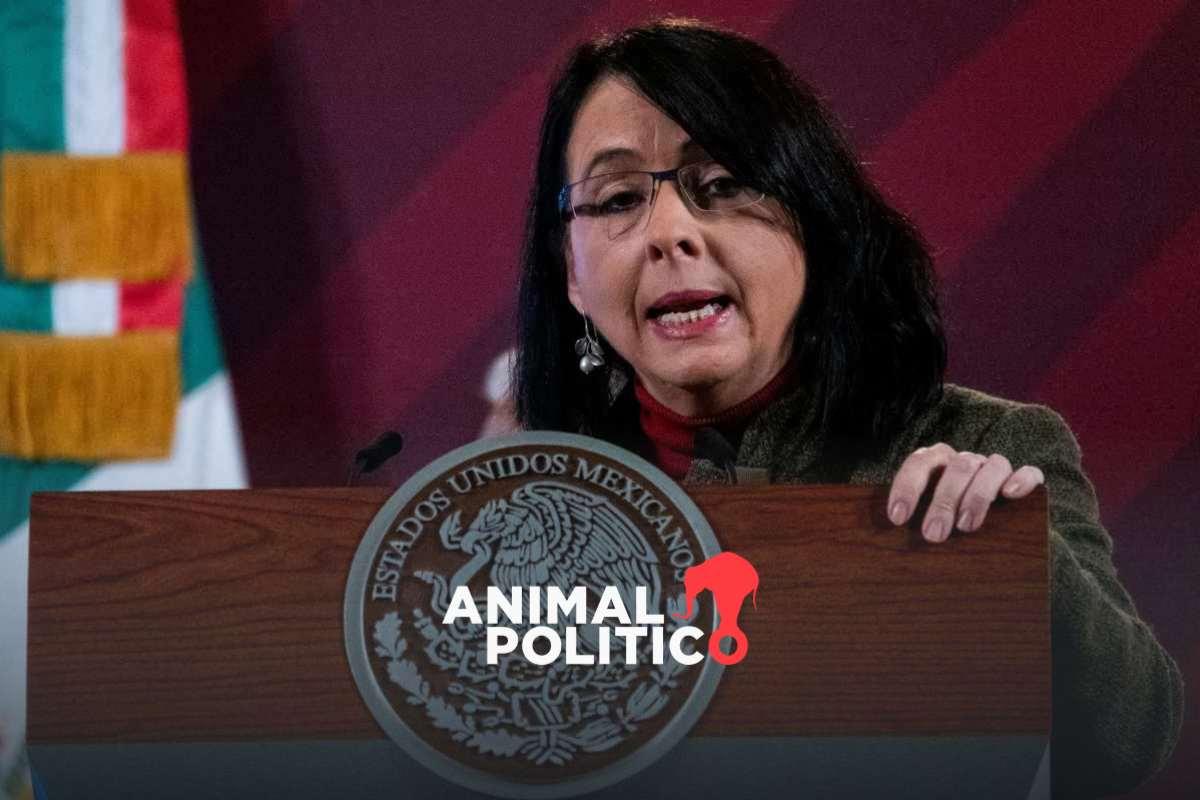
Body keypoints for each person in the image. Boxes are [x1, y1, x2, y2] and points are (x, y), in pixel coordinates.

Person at [511, 17, 1183, 799]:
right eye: (619, 197)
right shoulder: (524, 510)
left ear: (815, 222)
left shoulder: (989, 445)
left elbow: (1129, 744)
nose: (669, 233)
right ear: (571, 273)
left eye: (722, 184)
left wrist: (1017, 559)